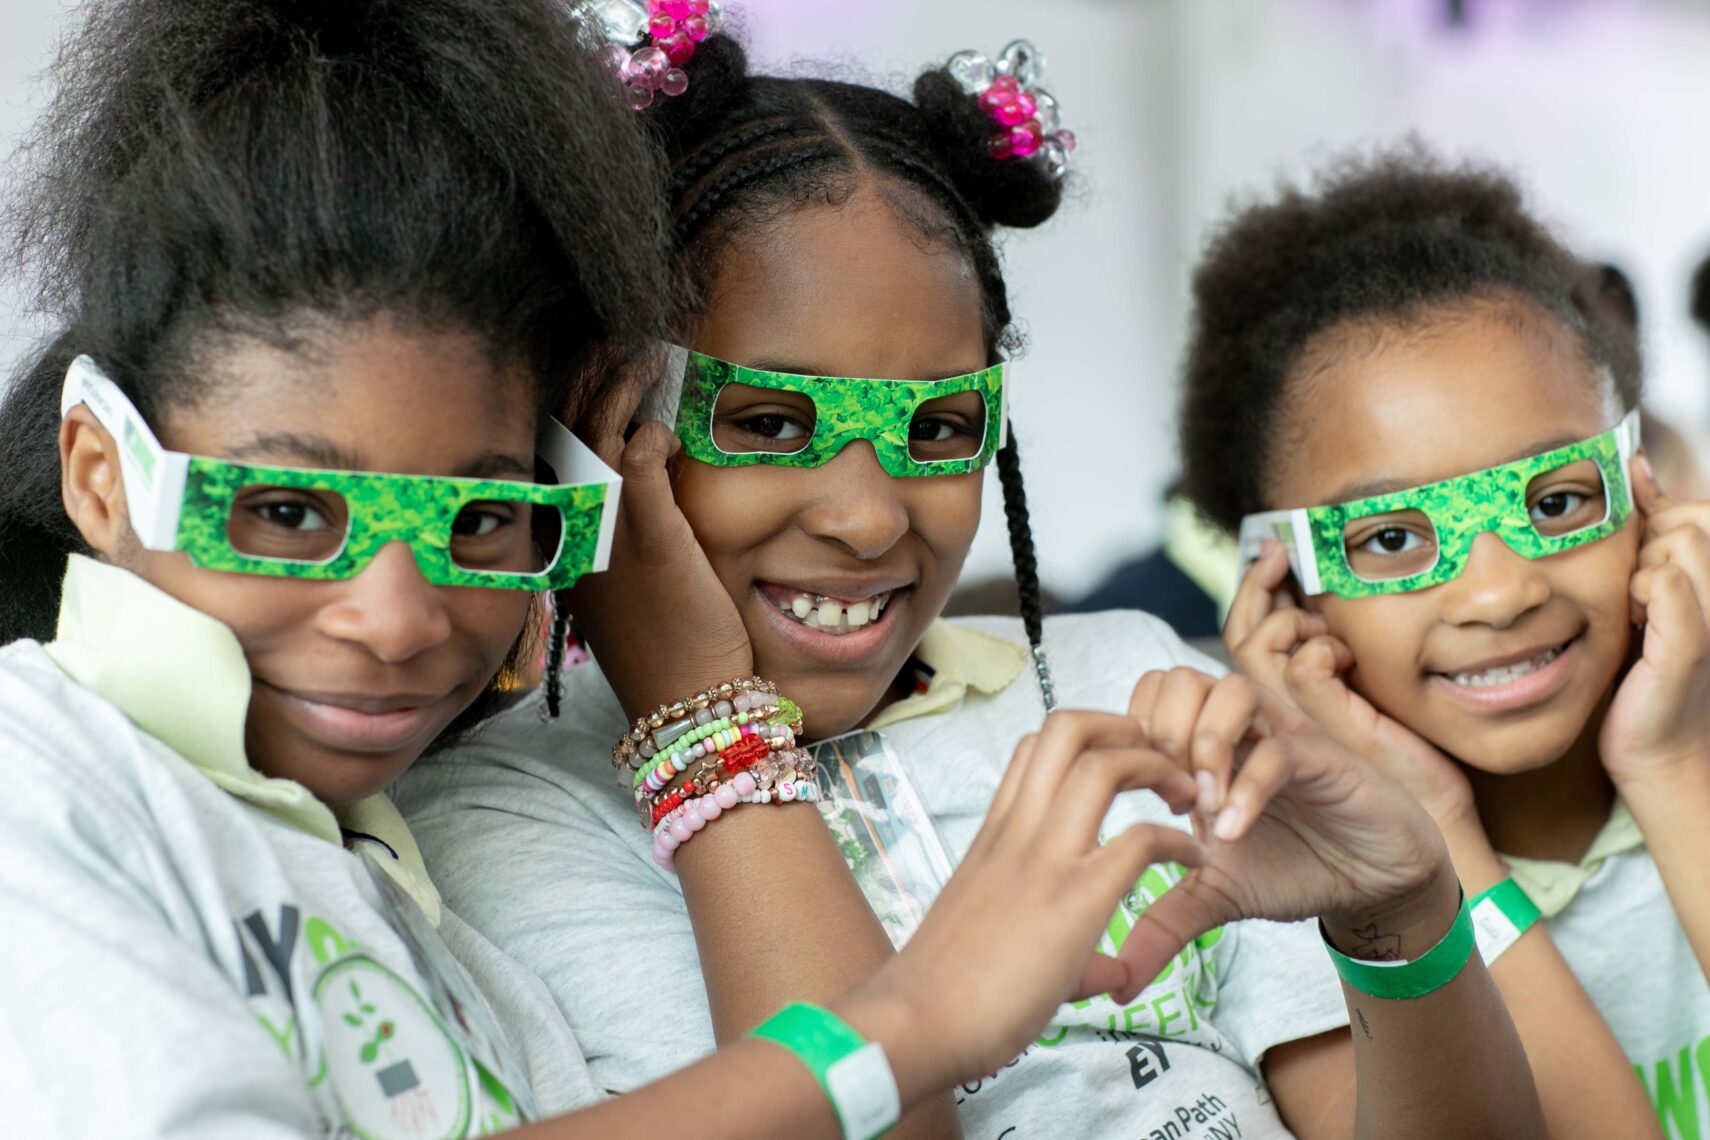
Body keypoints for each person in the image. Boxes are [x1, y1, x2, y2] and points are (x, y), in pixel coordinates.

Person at [0, 2, 1377, 1136]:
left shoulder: (396, 885)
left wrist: (1417, 899)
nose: (397, 617)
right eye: (291, 512)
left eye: (479, 518)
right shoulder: (80, 777)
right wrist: (894, 1012)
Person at [397, 33, 1541, 1138]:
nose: (869, 515)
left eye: (940, 428)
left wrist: (1401, 919)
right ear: (608, 418)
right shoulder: (506, 818)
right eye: (770, 421)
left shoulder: (1133, 686)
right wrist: (703, 730)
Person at [1190, 149, 1710, 1138]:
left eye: (1555, 501)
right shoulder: (1310, 916)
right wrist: (1436, 831)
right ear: (1280, 586)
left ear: (1645, 495)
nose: (1500, 590)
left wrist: (1677, 759)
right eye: (1391, 540)